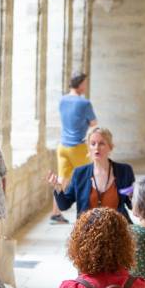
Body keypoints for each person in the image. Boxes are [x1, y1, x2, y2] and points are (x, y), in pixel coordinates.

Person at [47, 126, 135, 222]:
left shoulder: (124, 171)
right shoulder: (79, 173)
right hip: (87, 231)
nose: (97, 147)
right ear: (89, 148)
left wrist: (133, 196)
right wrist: (57, 186)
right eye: (93, 144)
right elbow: (64, 205)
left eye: (101, 143)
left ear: (110, 147)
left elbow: (132, 206)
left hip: (118, 229)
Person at [51, 72, 98, 224]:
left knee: (61, 179)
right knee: (89, 178)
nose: (86, 86)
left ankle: (55, 214)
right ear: (79, 84)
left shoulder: (62, 100)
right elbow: (93, 124)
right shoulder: (84, 103)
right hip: (78, 147)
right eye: (85, 83)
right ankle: (89, 213)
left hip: (63, 146)